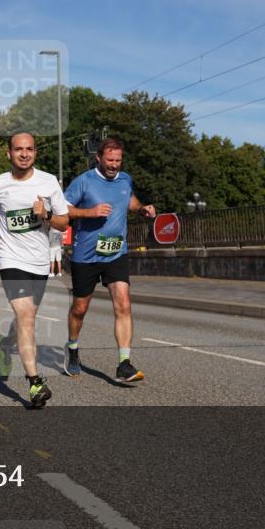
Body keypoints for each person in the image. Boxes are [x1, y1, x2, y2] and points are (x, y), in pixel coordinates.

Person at [0, 132, 69, 409]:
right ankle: (35, 383)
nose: (24, 154)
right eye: (18, 149)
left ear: (35, 153)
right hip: (11, 259)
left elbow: (64, 223)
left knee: (26, 319)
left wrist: (47, 215)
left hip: (39, 261)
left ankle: (6, 345)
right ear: (9, 153)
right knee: (27, 317)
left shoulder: (48, 182)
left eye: (29, 149)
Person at [63, 137, 156, 382]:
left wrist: (141, 208)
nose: (114, 165)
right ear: (99, 158)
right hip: (86, 255)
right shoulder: (84, 182)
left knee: (123, 304)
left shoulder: (125, 179)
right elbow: (62, 210)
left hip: (116, 253)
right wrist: (88, 212)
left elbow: (128, 198)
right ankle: (72, 348)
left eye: (118, 160)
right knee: (80, 309)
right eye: (110, 160)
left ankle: (124, 363)